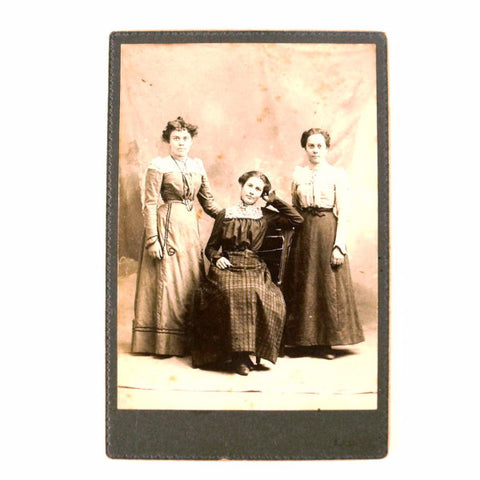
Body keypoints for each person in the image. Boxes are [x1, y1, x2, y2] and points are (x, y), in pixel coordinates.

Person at [192, 171, 303, 375]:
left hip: (253, 266)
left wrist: (274, 200)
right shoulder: (225, 214)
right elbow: (210, 247)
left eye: (258, 189)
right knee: (229, 293)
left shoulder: (265, 215)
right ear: (242, 186)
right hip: (227, 266)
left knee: (257, 292)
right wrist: (217, 258)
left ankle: (247, 352)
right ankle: (237, 356)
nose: (252, 192)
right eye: (250, 186)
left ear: (262, 193)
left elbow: (297, 219)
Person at [131, 116, 221, 357]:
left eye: (185, 138)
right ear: (168, 141)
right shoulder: (159, 166)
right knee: (168, 283)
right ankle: (163, 344)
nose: (181, 143)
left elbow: (209, 203)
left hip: (190, 230)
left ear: (191, 141)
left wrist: (232, 215)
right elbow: (149, 204)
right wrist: (153, 239)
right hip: (166, 227)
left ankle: (188, 342)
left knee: (189, 281)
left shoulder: (197, 166)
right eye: (176, 138)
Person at [284, 128, 364, 359]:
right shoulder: (298, 175)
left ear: (326, 148)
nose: (315, 150)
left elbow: (344, 212)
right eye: (311, 145)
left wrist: (339, 245)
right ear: (305, 148)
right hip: (304, 232)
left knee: (325, 283)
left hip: (327, 230)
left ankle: (323, 343)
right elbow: (295, 207)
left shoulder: (336, 175)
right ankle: (301, 341)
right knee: (303, 282)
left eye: (320, 146)